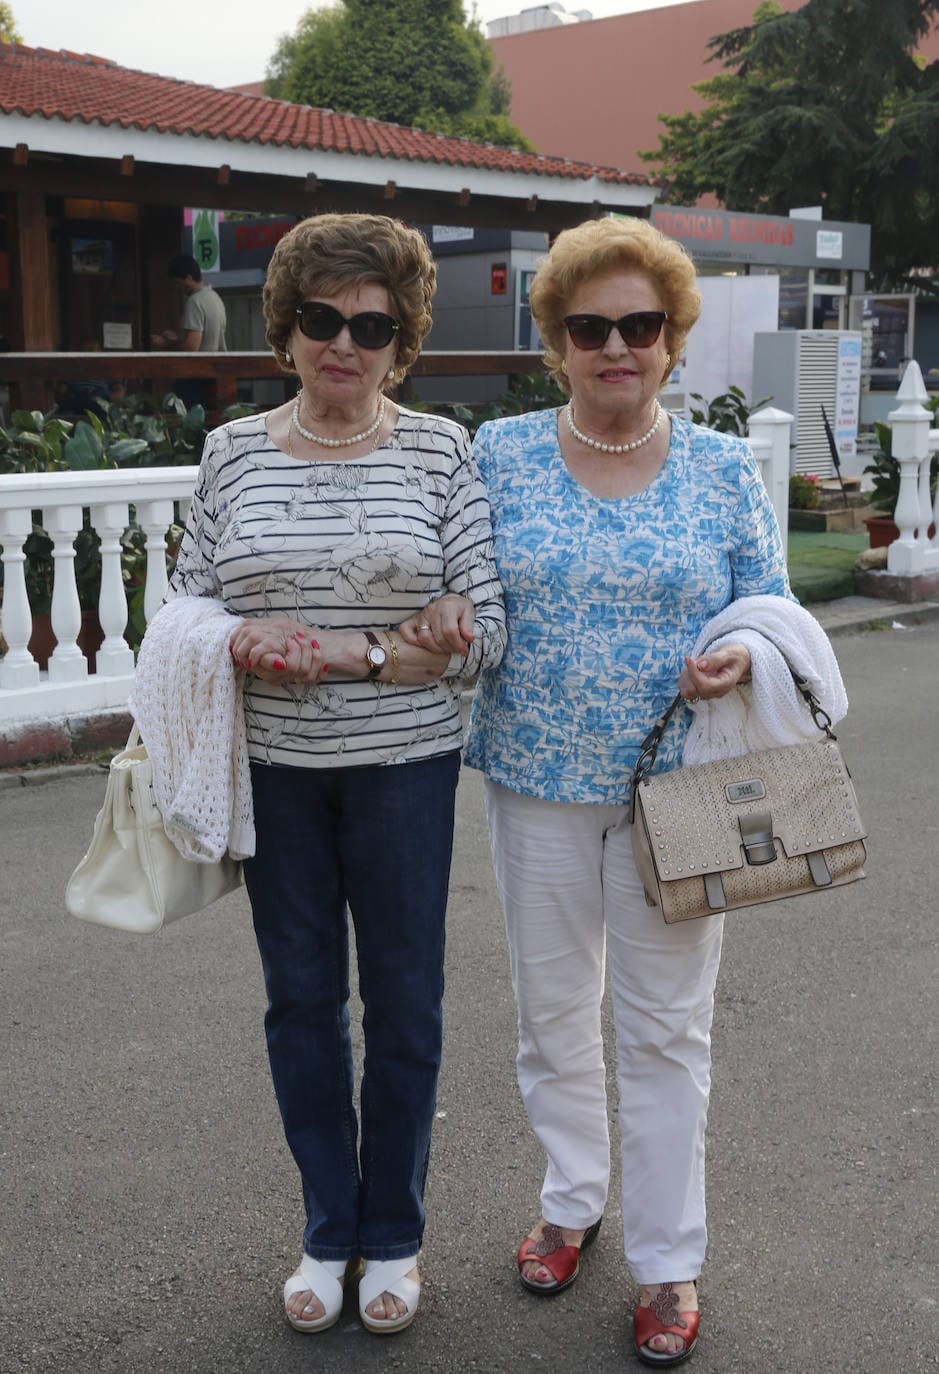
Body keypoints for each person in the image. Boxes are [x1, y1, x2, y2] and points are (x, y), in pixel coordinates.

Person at [401, 216, 804, 1366]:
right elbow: (462, 595)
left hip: (675, 796)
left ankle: (670, 1262)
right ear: (557, 341)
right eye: (592, 327)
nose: (617, 346)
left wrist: (742, 658)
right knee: (551, 1017)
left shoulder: (725, 470)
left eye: (641, 325)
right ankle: (571, 1201)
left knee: (668, 1032)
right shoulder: (500, 455)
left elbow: (772, 612)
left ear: (672, 339)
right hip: (532, 781)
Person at [164, 213, 505, 1336]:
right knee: (303, 1005)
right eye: (322, 319)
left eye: (372, 324)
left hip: (405, 771)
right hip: (279, 771)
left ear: (402, 338)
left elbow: (486, 621)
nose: (344, 343)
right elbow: (185, 605)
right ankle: (328, 1229)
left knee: (404, 1005)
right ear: (289, 329)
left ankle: (394, 1231)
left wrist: (443, 622)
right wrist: (236, 638)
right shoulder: (233, 454)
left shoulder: (440, 451)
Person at [151, 253, 228, 353]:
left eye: (178, 283)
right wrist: (179, 337)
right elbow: (206, 337)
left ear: (189, 278)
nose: (178, 288)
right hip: (216, 365)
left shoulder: (195, 301)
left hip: (200, 366)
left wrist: (164, 343)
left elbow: (191, 347)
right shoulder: (215, 297)